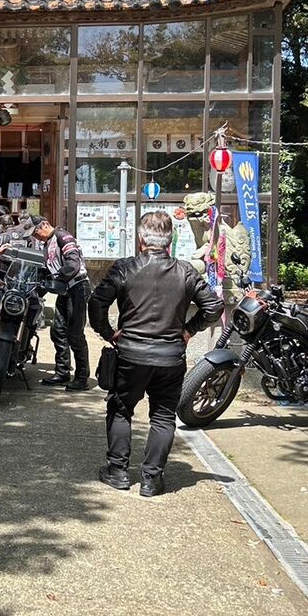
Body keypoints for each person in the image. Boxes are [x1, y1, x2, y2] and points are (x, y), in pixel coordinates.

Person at [89, 211, 223, 496]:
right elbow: (214, 307)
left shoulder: (125, 268)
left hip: (130, 354)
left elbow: (96, 302)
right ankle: (151, 479)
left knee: (120, 408)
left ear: (140, 240)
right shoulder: (186, 271)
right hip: (170, 356)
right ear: (169, 242)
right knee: (163, 416)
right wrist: (189, 330)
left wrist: (108, 332)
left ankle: (118, 471)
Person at [33, 216, 91, 390]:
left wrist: (58, 276)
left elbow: (73, 263)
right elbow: (47, 270)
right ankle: (62, 372)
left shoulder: (63, 236)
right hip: (65, 290)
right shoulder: (47, 243)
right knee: (58, 330)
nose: (36, 236)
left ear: (45, 224)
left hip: (77, 287)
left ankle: (82, 378)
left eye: (36, 232)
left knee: (75, 334)